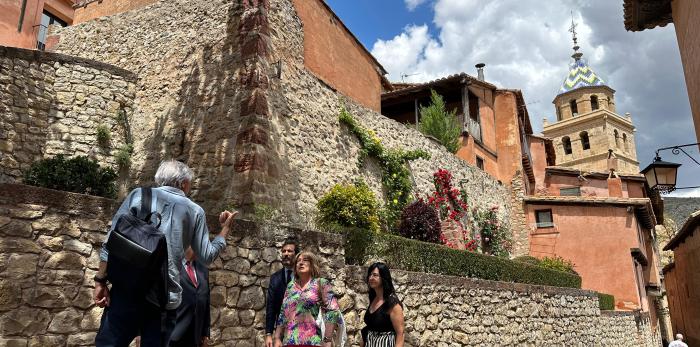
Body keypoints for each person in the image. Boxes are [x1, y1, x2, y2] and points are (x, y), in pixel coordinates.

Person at [94, 160, 237, 347]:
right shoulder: (195, 211)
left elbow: (111, 241)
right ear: (184, 183)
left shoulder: (139, 195)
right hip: (163, 300)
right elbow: (207, 256)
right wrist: (225, 229)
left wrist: (100, 281)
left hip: (127, 291)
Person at [274, 251, 342, 347]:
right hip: (290, 341)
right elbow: (282, 313)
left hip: (312, 342)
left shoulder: (321, 283)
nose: (301, 263)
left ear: (312, 264)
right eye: (298, 261)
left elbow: (333, 311)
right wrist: (277, 338)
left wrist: (327, 339)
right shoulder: (290, 286)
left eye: (305, 260)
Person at [170, 247, 211, 347]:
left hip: (195, 338)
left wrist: (205, 333)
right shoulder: (170, 265)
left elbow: (206, 301)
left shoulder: (203, 269)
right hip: (172, 337)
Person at [265, 238, 300, 347]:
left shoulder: (304, 277)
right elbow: (271, 307)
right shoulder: (275, 278)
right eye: (284, 251)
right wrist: (269, 334)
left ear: (297, 254)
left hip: (303, 331)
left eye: (290, 251)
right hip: (282, 332)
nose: (286, 254)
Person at [360, 262, 405, 347]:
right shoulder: (374, 299)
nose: (371, 278)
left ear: (384, 278)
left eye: (375, 275)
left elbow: (400, 334)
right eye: (370, 275)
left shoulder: (393, 304)